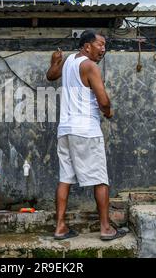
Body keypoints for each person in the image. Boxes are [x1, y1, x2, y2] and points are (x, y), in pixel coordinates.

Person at [46, 29, 126, 241]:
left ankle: (60, 227)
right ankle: (106, 228)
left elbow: (51, 75)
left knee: (65, 178)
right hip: (86, 131)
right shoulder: (90, 66)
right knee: (100, 179)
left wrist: (55, 62)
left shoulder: (70, 60)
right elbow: (104, 101)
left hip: (65, 130)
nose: (103, 49)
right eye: (100, 44)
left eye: (104, 45)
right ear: (87, 46)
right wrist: (108, 113)